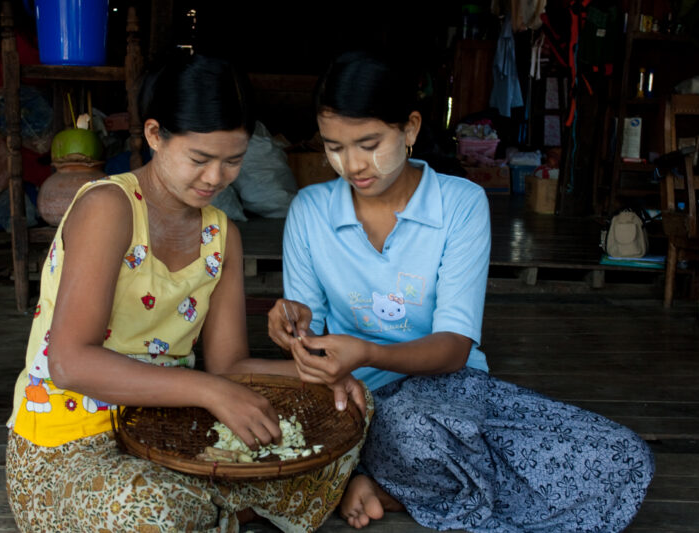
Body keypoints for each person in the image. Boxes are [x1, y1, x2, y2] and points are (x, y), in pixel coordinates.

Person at [268, 51, 655, 533]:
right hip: (352, 399)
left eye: (369, 144)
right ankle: (410, 480)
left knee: (622, 459)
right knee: (410, 429)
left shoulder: (460, 203)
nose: (352, 165)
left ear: (409, 129)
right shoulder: (310, 210)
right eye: (334, 147)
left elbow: (453, 349)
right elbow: (309, 331)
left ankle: (381, 485)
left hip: (452, 390)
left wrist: (367, 350)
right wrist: (293, 323)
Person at [5, 53, 368, 533]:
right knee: (152, 512)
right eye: (200, 159)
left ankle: (210, 507)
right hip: (69, 448)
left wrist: (316, 378)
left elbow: (229, 367)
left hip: (173, 434)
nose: (216, 178)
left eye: (233, 160)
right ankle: (215, 508)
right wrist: (209, 390)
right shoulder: (109, 207)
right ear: (155, 135)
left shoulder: (222, 236)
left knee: (351, 403)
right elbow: (69, 363)